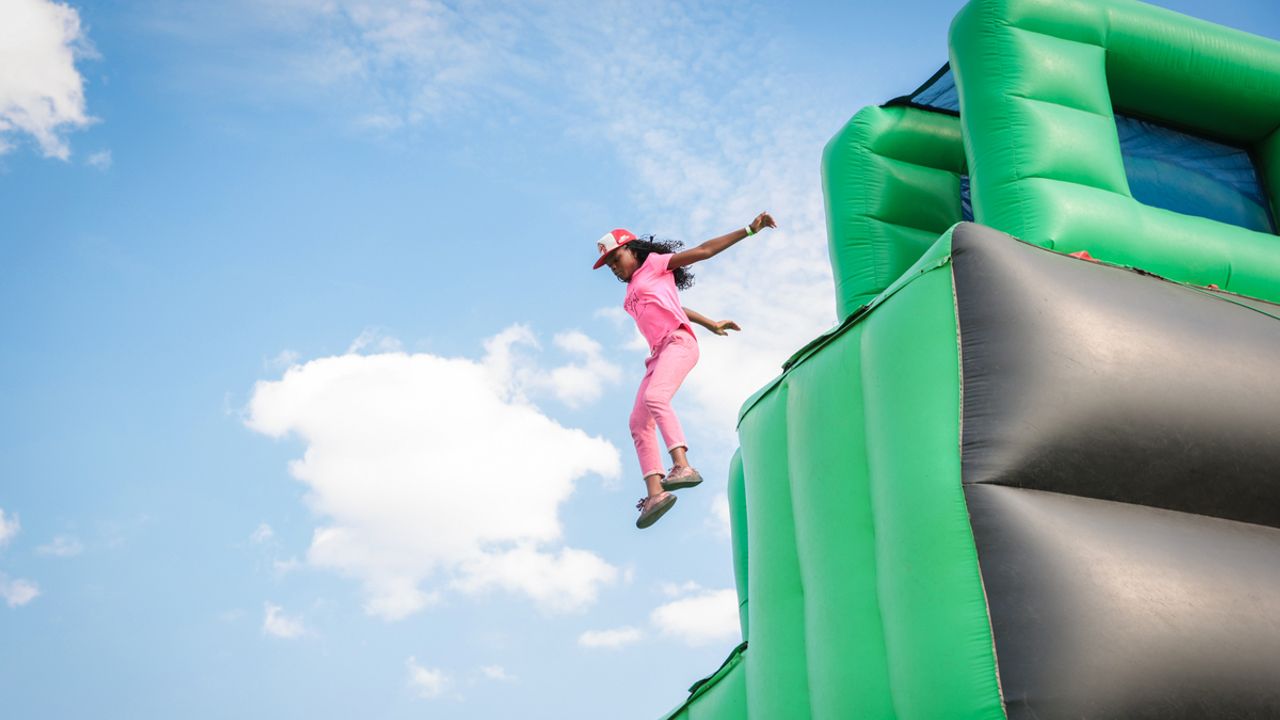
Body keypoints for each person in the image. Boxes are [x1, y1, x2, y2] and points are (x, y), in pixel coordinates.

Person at [593, 212, 777, 528]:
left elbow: (704, 251)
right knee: (638, 423)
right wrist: (710, 321)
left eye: (616, 258)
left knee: (656, 397)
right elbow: (675, 305)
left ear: (633, 250)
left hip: (678, 344)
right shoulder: (631, 294)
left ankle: (683, 466)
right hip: (658, 354)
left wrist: (749, 230)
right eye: (609, 265)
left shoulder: (655, 264)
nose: (613, 268)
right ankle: (656, 494)